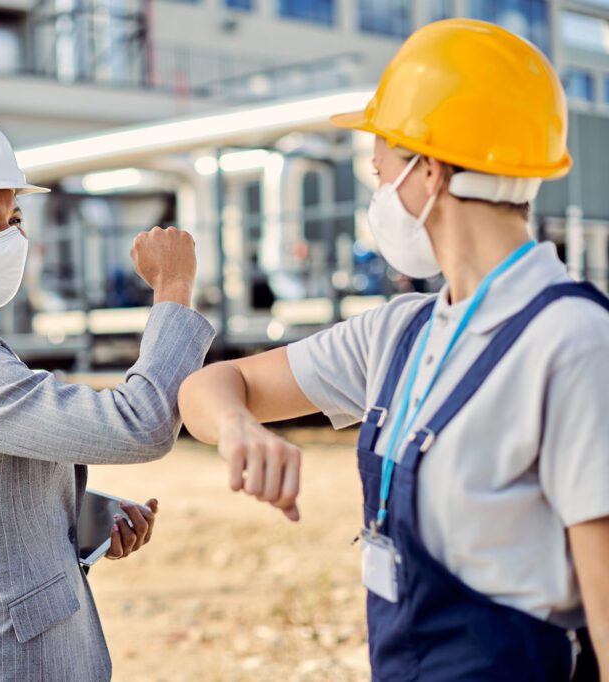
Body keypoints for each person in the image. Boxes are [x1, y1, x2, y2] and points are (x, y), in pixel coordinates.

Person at [179, 19, 608, 681]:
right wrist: (238, 429)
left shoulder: (573, 343)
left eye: (380, 164)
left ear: (427, 172)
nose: (375, 185)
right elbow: (210, 387)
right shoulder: (398, 333)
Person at [0, 106, 215, 681]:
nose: (9, 238)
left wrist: (86, 517)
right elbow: (141, 423)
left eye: (13, 218)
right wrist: (173, 289)